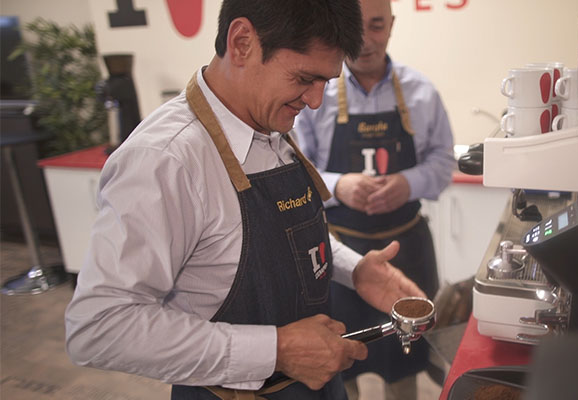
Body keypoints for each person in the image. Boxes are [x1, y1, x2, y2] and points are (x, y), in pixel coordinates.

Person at [64, 1, 427, 399]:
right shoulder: (165, 161)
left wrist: (354, 269)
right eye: (305, 78)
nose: (316, 101)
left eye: (326, 81)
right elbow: (99, 327)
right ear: (241, 43)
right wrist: (276, 350)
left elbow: (280, 236)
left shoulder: (270, 121)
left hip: (316, 386)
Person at [293, 0, 455, 398]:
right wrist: (337, 184)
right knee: (340, 363)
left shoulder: (421, 91)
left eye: (377, 26)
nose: (366, 40)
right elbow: (295, 168)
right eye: (356, 28)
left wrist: (410, 182)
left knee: (405, 364)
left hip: (407, 250)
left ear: (392, 26)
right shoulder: (316, 91)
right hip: (338, 253)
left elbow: (443, 161)